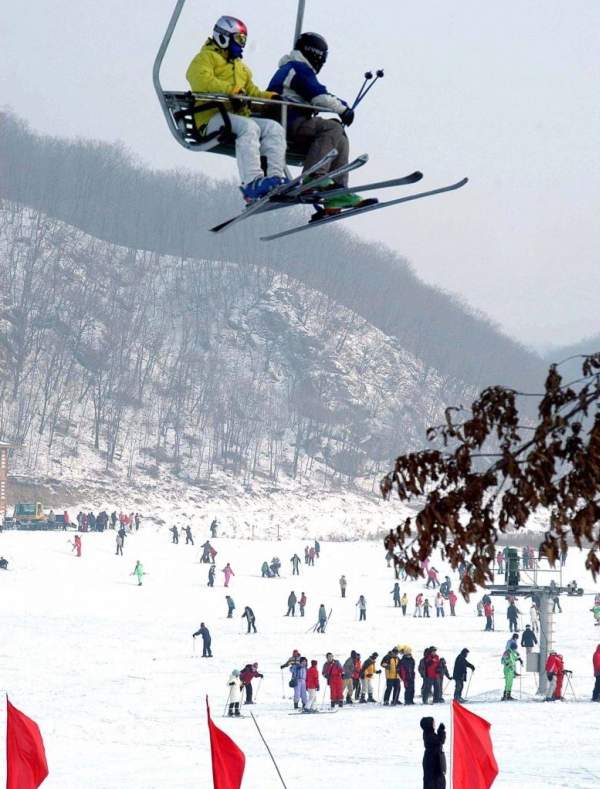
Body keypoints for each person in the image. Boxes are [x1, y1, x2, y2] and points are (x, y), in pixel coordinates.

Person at [186, 16, 288, 202]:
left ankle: (275, 178)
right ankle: (252, 182)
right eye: (239, 39)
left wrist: (271, 97)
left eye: (244, 41)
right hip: (211, 117)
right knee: (249, 128)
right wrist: (230, 91)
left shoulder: (241, 68)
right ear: (224, 36)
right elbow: (200, 80)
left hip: (236, 117)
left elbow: (251, 92)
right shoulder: (206, 58)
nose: (241, 45)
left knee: (274, 128)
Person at [267, 32, 368, 213]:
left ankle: (337, 193)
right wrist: (343, 110)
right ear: (315, 54)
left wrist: (342, 108)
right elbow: (319, 96)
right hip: (286, 123)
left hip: (294, 122)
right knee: (332, 127)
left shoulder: (296, 68)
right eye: (323, 58)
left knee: (340, 136)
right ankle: (315, 176)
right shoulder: (297, 68)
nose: (322, 63)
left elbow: (318, 94)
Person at [420, 717, 447, 789]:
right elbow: (440, 740)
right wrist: (441, 730)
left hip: (434, 761)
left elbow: (440, 740)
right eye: (433, 723)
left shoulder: (430, 733)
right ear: (429, 725)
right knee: (433, 782)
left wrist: (440, 731)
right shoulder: (429, 735)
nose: (434, 724)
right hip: (432, 762)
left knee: (438, 781)